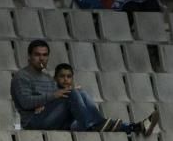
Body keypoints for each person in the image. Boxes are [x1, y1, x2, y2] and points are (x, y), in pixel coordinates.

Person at [12, 44, 159, 134]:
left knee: (78, 91)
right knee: (72, 93)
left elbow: (50, 100)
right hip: (34, 123)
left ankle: (135, 127)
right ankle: (96, 124)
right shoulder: (22, 77)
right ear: (30, 56)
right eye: (37, 55)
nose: (41, 59)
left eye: (44, 55)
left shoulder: (47, 78)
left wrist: (50, 99)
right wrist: (51, 97)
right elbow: (26, 102)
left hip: (54, 120)